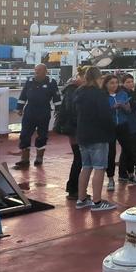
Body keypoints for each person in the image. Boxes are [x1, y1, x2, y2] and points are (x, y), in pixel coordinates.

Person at [74, 66, 116, 211]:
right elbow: (105, 116)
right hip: (98, 135)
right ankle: (97, 202)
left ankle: (81, 199)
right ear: (99, 78)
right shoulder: (98, 94)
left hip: (82, 134)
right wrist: (111, 130)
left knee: (86, 166)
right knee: (99, 167)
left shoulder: (79, 92)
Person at [14, 64, 62, 169]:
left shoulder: (51, 83)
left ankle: (39, 158)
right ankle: (24, 159)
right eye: (36, 70)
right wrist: (19, 108)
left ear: (46, 71)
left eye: (39, 70)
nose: (36, 72)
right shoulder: (29, 81)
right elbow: (23, 95)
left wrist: (58, 111)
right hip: (29, 111)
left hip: (44, 111)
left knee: (42, 135)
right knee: (25, 134)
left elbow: (57, 98)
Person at [103, 74, 136, 189]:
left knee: (128, 150)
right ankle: (110, 179)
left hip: (123, 125)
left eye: (116, 82)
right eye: (111, 83)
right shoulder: (103, 97)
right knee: (111, 153)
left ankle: (131, 174)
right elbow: (102, 113)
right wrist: (112, 108)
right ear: (106, 84)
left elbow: (129, 109)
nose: (114, 85)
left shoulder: (123, 94)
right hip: (110, 126)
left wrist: (124, 107)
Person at [55, 67, 84, 200]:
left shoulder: (71, 90)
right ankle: (73, 188)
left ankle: (73, 188)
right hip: (75, 129)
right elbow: (74, 111)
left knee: (79, 159)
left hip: (73, 129)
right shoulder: (74, 91)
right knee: (79, 159)